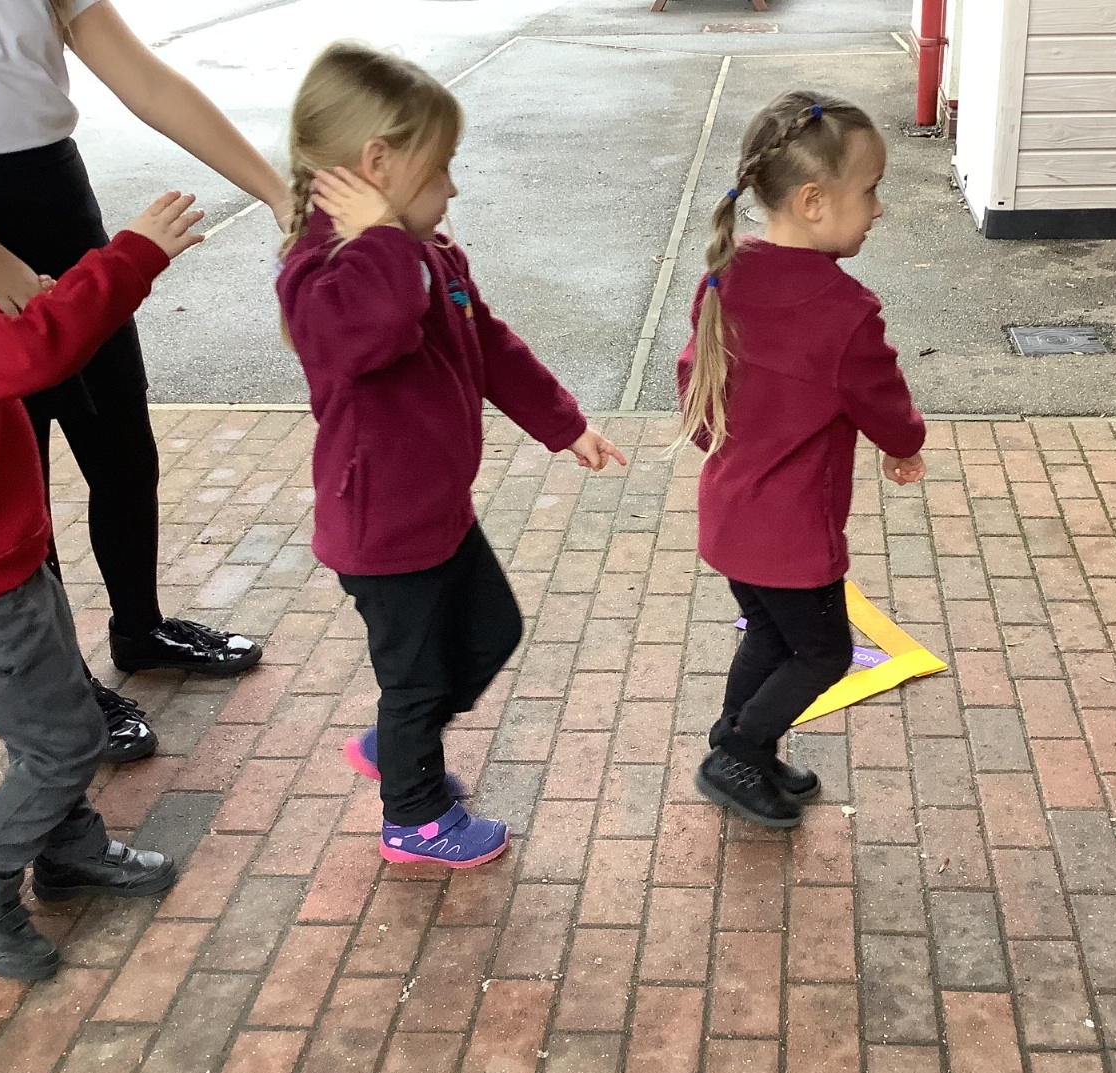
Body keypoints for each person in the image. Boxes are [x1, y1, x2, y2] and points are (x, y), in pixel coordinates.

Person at [276, 42, 625, 867]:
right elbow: (376, 330)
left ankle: (401, 741)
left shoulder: (425, 252)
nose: (453, 189)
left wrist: (564, 423)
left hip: (437, 510)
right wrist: (382, 240)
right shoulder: (321, 274)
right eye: (440, 170)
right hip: (382, 530)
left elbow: (489, 344)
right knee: (418, 679)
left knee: (491, 632)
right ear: (378, 165)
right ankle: (415, 817)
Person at [0, 0, 287, 764]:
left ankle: (141, 629)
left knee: (122, 445)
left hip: (56, 195)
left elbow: (147, 82)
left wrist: (276, 190)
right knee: (16, 474)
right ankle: (63, 685)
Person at [0, 190, 204, 981]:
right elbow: (31, 353)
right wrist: (132, 256)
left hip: (1, 561)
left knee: (50, 719)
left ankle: (69, 850)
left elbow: (5, 342)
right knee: (64, 743)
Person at [678, 90, 927, 830]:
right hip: (792, 536)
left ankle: (740, 745)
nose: (878, 209)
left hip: (731, 515)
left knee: (771, 634)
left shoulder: (724, 276)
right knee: (820, 654)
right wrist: (905, 447)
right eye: (870, 191)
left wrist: (738, 448)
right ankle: (738, 752)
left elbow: (696, 385)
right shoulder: (845, 312)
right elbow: (884, 400)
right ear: (814, 201)